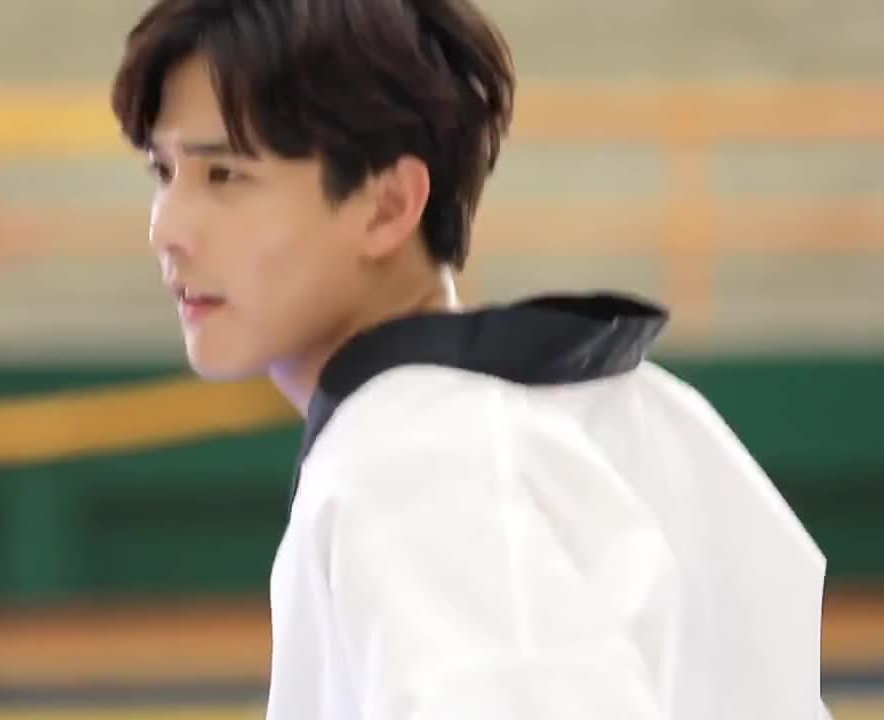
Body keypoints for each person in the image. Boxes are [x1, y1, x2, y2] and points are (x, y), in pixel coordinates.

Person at [110, 1, 833, 717]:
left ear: (388, 206)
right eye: (162, 172)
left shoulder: (411, 468)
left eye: (224, 175)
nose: (166, 229)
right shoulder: (642, 408)